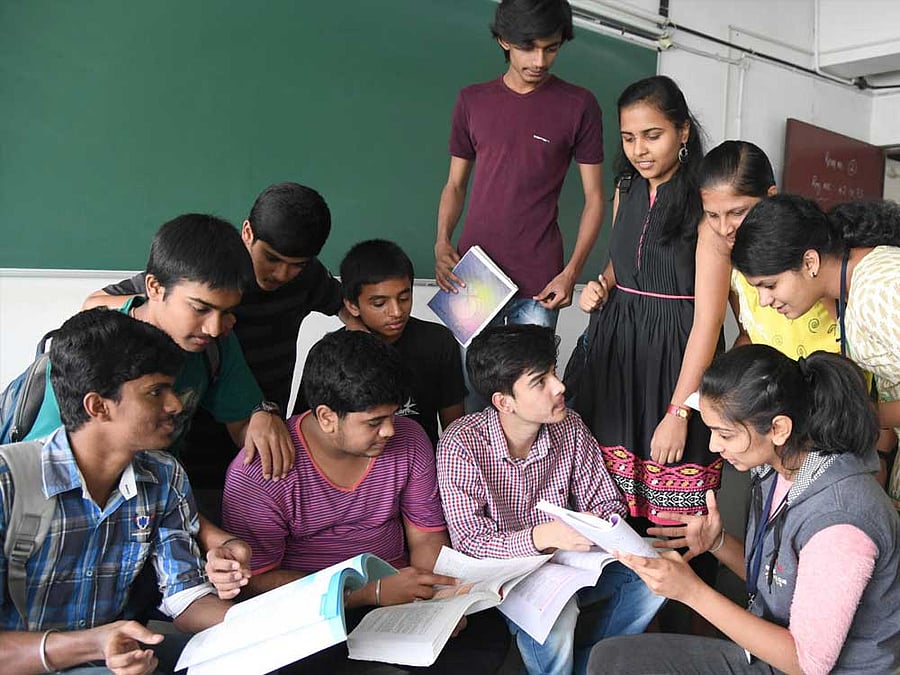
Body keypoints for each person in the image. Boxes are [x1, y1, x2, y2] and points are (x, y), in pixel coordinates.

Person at [588, 345, 900, 674]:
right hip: (772, 655)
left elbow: (807, 663)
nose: (713, 446)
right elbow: (779, 579)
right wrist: (717, 542)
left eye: (725, 434)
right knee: (612, 659)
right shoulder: (778, 470)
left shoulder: (841, 524)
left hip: (806, 665)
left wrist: (691, 592)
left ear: (779, 429)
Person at [221, 330, 509, 673]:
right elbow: (258, 580)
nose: (389, 430)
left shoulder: (409, 440)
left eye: (393, 415)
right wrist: (367, 593)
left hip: (400, 592)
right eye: (374, 422)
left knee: (485, 638)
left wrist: (436, 603)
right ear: (327, 417)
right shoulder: (260, 471)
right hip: (312, 607)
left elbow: (426, 536)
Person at [0, 309, 233, 674]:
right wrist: (93, 644)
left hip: (116, 656)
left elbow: (186, 599)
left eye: (171, 388)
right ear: (98, 406)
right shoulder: (7, 484)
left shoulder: (164, 476)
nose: (175, 405)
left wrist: (268, 621)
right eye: (156, 392)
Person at [437, 325, 664, 675]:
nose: (560, 387)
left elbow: (607, 501)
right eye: (540, 381)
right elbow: (469, 542)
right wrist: (540, 538)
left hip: (567, 561)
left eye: (553, 372)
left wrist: (595, 524)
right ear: (504, 402)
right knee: (557, 616)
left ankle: (592, 666)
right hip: (502, 573)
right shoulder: (462, 443)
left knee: (657, 573)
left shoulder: (569, 425)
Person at [27, 213, 294, 483]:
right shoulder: (94, 348)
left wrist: (262, 414)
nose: (214, 328)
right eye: (200, 308)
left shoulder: (216, 344)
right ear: (154, 288)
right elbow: (46, 469)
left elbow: (243, 421)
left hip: (158, 496)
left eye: (227, 311)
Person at [565, 76, 722, 535]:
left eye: (653, 136)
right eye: (629, 138)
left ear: (683, 132)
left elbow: (708, 320)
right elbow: (623, 259)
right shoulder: (627, 185)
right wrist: (602, 285)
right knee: (608, 499)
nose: (639, 149)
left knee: (675, 514)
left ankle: (678, 602)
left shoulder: (707, 203)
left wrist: (679, 411)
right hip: (617, 347)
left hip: (677, 356)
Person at [86, 182, 344, 414]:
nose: (282, 273)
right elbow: (94, 304)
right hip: (189, 418)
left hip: (257, 415)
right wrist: (172, 304)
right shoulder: (204, 270)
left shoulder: (309, 276)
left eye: (296, 265)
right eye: (271, 258)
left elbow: (348, 307)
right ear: (247, 232)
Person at [434, 0, 604, 329]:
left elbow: (595, 198)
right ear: (504, 40)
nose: (540, 61)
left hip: (541, 280)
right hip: (474, 276)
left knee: (532, 379)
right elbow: (455, 185)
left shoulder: (580, 105)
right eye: (529, 47)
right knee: (474, 380)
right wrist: (442, 241)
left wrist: (571, 273)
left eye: (551, 48)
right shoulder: (472, 101)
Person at [731, 195, 900, 508]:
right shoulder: (841, 291)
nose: (765, 300)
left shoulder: (882, 288)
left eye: (770, 285)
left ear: (809, 262)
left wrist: (862, 416)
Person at [697, 142, 838, 356]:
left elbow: (847, 339)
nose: (725, 229)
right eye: (713, 216)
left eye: (737, 212)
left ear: (770, 196)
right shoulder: (731, 253)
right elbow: (749, 335)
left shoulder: (800, 247)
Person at [339, 239, 465, 447]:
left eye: (404, 298)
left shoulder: (438, 341)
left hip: (423, 461)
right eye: (380, 303)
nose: (396, 312)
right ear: (352, 305)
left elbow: (454, 426)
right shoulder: (333, 354)